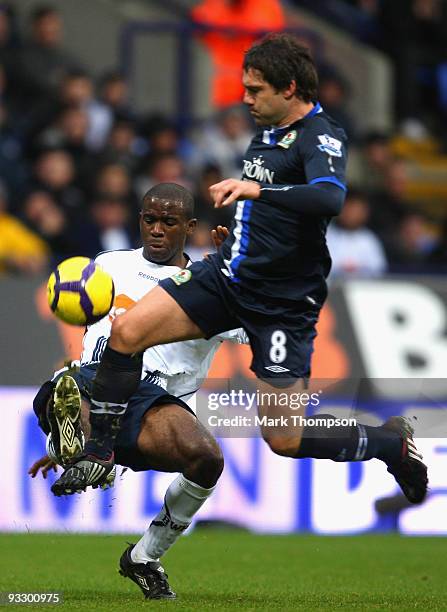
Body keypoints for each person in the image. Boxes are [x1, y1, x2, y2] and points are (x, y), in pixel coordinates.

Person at [53, 33, 428, 506]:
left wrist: (257, 193)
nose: (245, 98)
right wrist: (239, 238)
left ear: (289, 89)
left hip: (281, 303)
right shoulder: (265, 133)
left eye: (255, 90)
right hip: (227, 277)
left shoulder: (322, 135)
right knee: (127, 332)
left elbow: (329, 197)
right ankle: (100, 450)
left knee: (284, 438)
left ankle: (389, 444)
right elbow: (269, 215)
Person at [31, 182, 247, 599]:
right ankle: (82, 439)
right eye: (150, 219)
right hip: (96, 380)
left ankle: (145, 556)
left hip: (154, 407)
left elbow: (258, 331)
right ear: (140, 221)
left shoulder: (212, 282)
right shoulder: (107, 265)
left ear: (190, 226)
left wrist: (238, 273)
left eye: (169, 221)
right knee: (69, 385)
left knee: (207, 460)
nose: (158, 229)